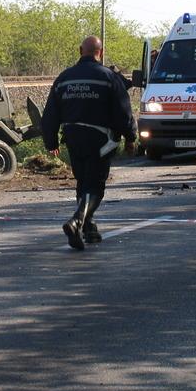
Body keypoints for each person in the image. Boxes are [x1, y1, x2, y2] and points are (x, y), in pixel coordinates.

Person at [41, 35, 136, 250]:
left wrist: (51, 140)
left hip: (73, 138)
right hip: (100, 140)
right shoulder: (108, 77)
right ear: (100, 53)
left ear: (79, 50)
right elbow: (124, 112)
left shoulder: (64, 78)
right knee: (96, 186)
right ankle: (76, 221)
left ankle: (89, 228)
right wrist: (131, 137)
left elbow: (50, 113)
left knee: (83, 182)